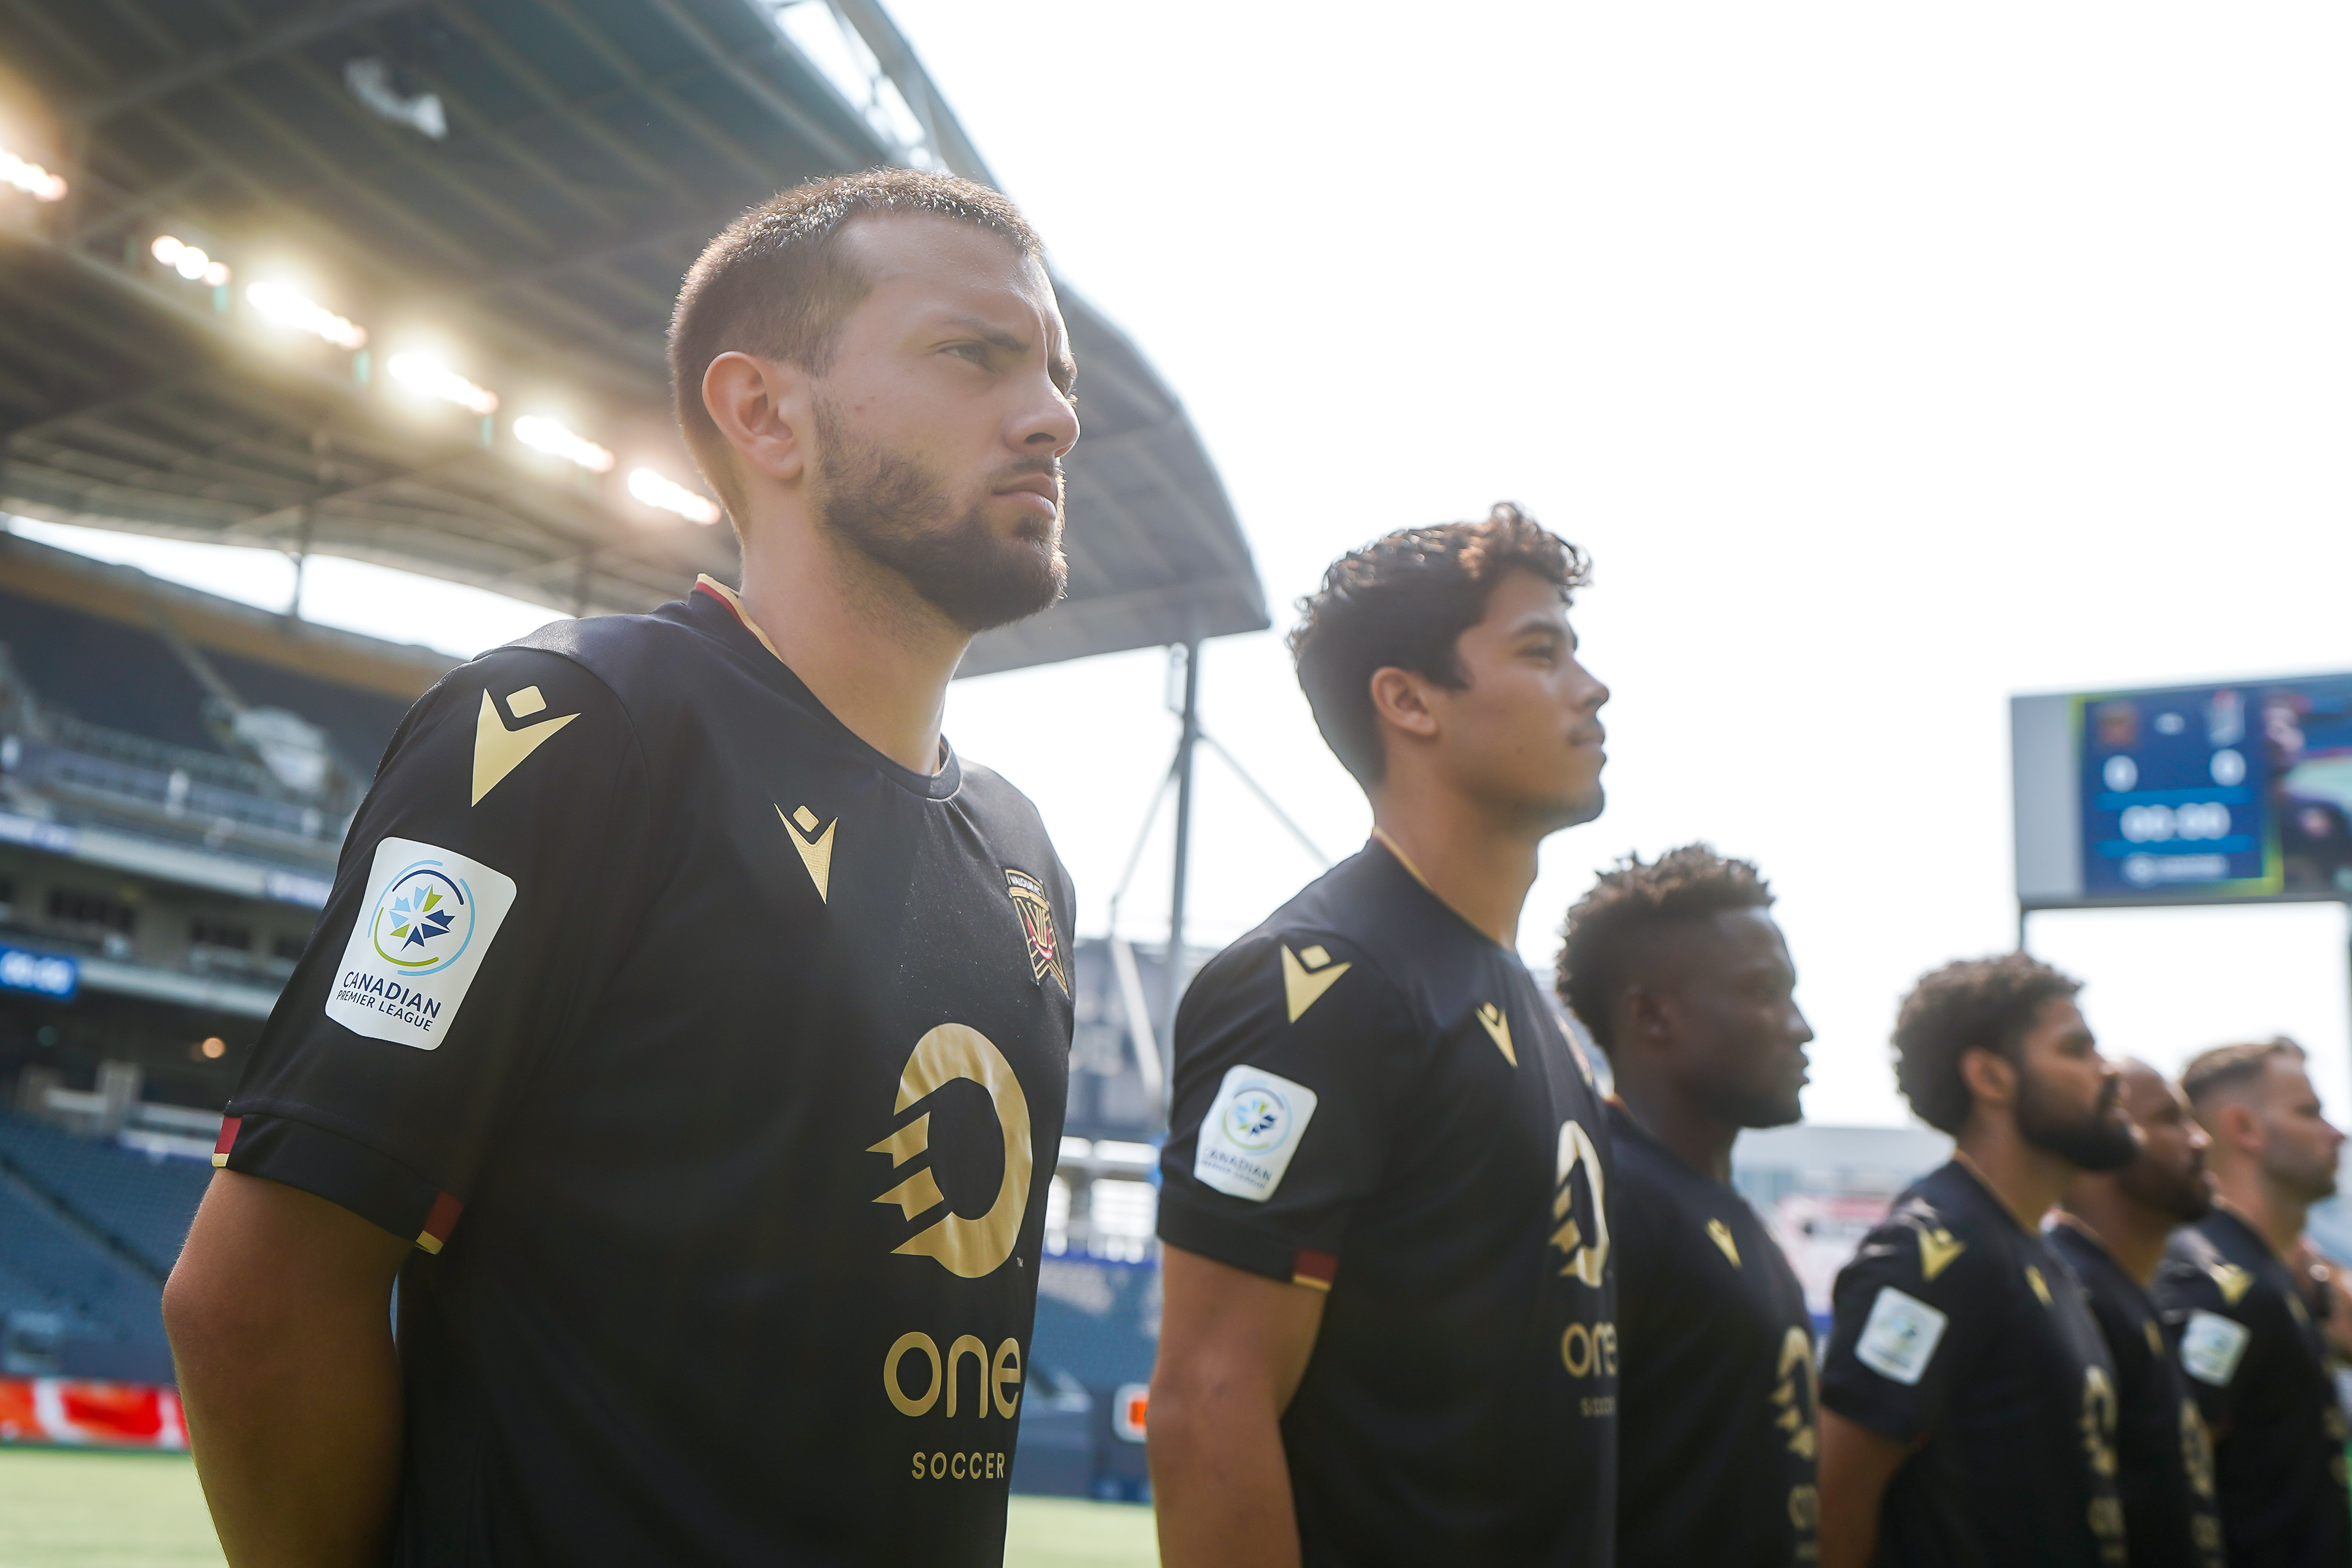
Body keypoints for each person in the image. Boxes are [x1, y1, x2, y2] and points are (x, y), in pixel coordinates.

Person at [164, 169, 1083, 1567]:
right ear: (762, 411)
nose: (1055, 414)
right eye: (977, 354)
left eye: (1057, 373)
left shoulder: (1022, 856)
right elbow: (257, 1298)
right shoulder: (570, 733)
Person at [1147, 507, 1617, 1567]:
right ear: (1407, 701)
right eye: (1540, 652)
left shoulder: (1533, 1010)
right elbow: (1205, 1403)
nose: (1589, 688)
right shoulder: (1322, 984)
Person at [1816, 954, 2135, 1568]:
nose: (2108, 1074)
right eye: (2076, 1050)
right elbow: (1833, 1499)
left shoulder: (2031, 1253)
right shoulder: (1932, 1255)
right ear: (1991, 1078)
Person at [1555, 845, 1819, 1568]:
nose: (1800, 1025)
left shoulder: (1720, 1208)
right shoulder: (1601, 1201)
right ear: (1651, 1015)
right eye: (1764, 989)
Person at [2155, 1038, 2352, 1568]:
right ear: (2245, 1128)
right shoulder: (2213, 1281)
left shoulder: (2277, 1272)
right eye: (2309, 1112)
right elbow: (2173, 1483)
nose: (2337, 1133)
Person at [2047, 1060, 2226, 1568]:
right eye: (2170, 1119)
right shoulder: (2074, 1297)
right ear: (2101, 1138)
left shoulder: (2126, 1291)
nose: (2200, 1141)